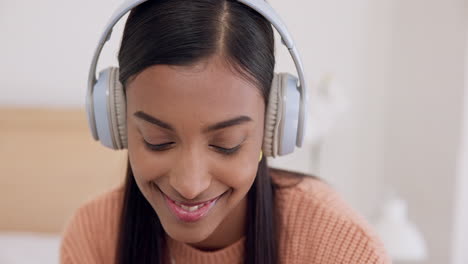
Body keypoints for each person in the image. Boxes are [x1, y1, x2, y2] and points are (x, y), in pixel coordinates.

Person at [59, 0, 390, 263]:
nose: (190, 185)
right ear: (117, 122)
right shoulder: (93, 235)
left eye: (227, 145)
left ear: (272, 127)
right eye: (157, 141)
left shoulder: (343, 248)